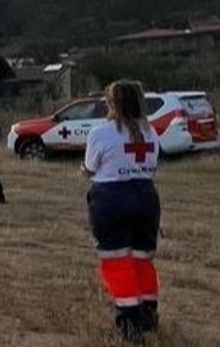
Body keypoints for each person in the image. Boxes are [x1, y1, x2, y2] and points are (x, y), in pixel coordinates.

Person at [83, 81, 162, 342]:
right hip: (146, 197)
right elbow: (152, 167)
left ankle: (129, 325)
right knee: (142, 260)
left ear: (112, 103)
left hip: (112, 199)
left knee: (117, 262)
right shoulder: (151, 132)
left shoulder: (100, 132)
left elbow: (90, 168)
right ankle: (149, 317)